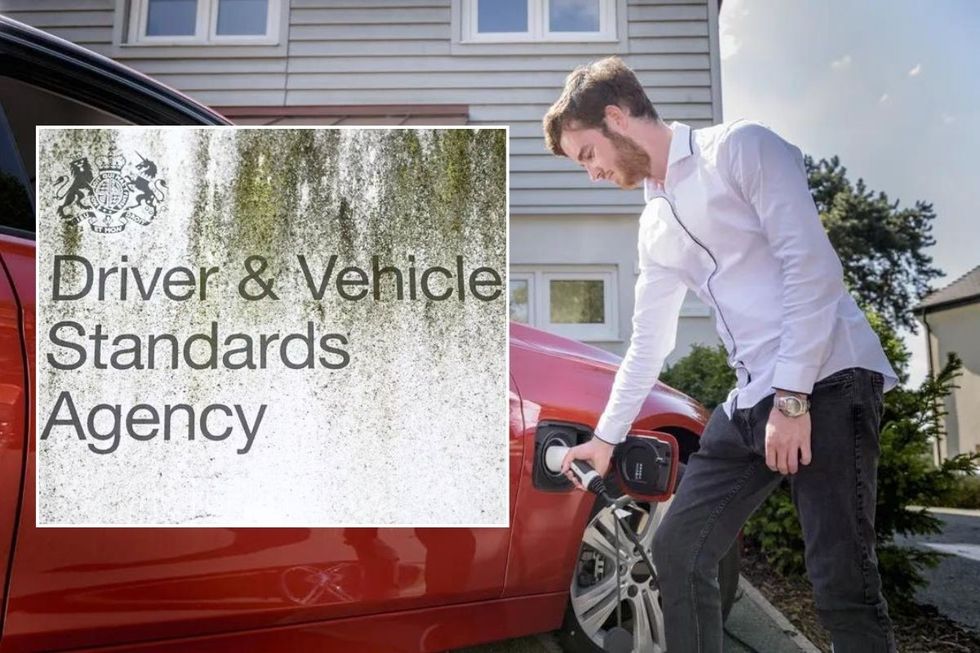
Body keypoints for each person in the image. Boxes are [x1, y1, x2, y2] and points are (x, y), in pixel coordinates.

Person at [544, 56, 899, 653]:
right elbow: (648, 342)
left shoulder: (741, 149)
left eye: (587, 155)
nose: (592, 173)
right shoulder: (655, 222)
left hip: (829, 377)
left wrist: (793, 398)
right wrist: (605, 439)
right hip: (755, 397)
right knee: (678, 550)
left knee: (841, 577)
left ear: (615, 118)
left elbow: (811, 269)